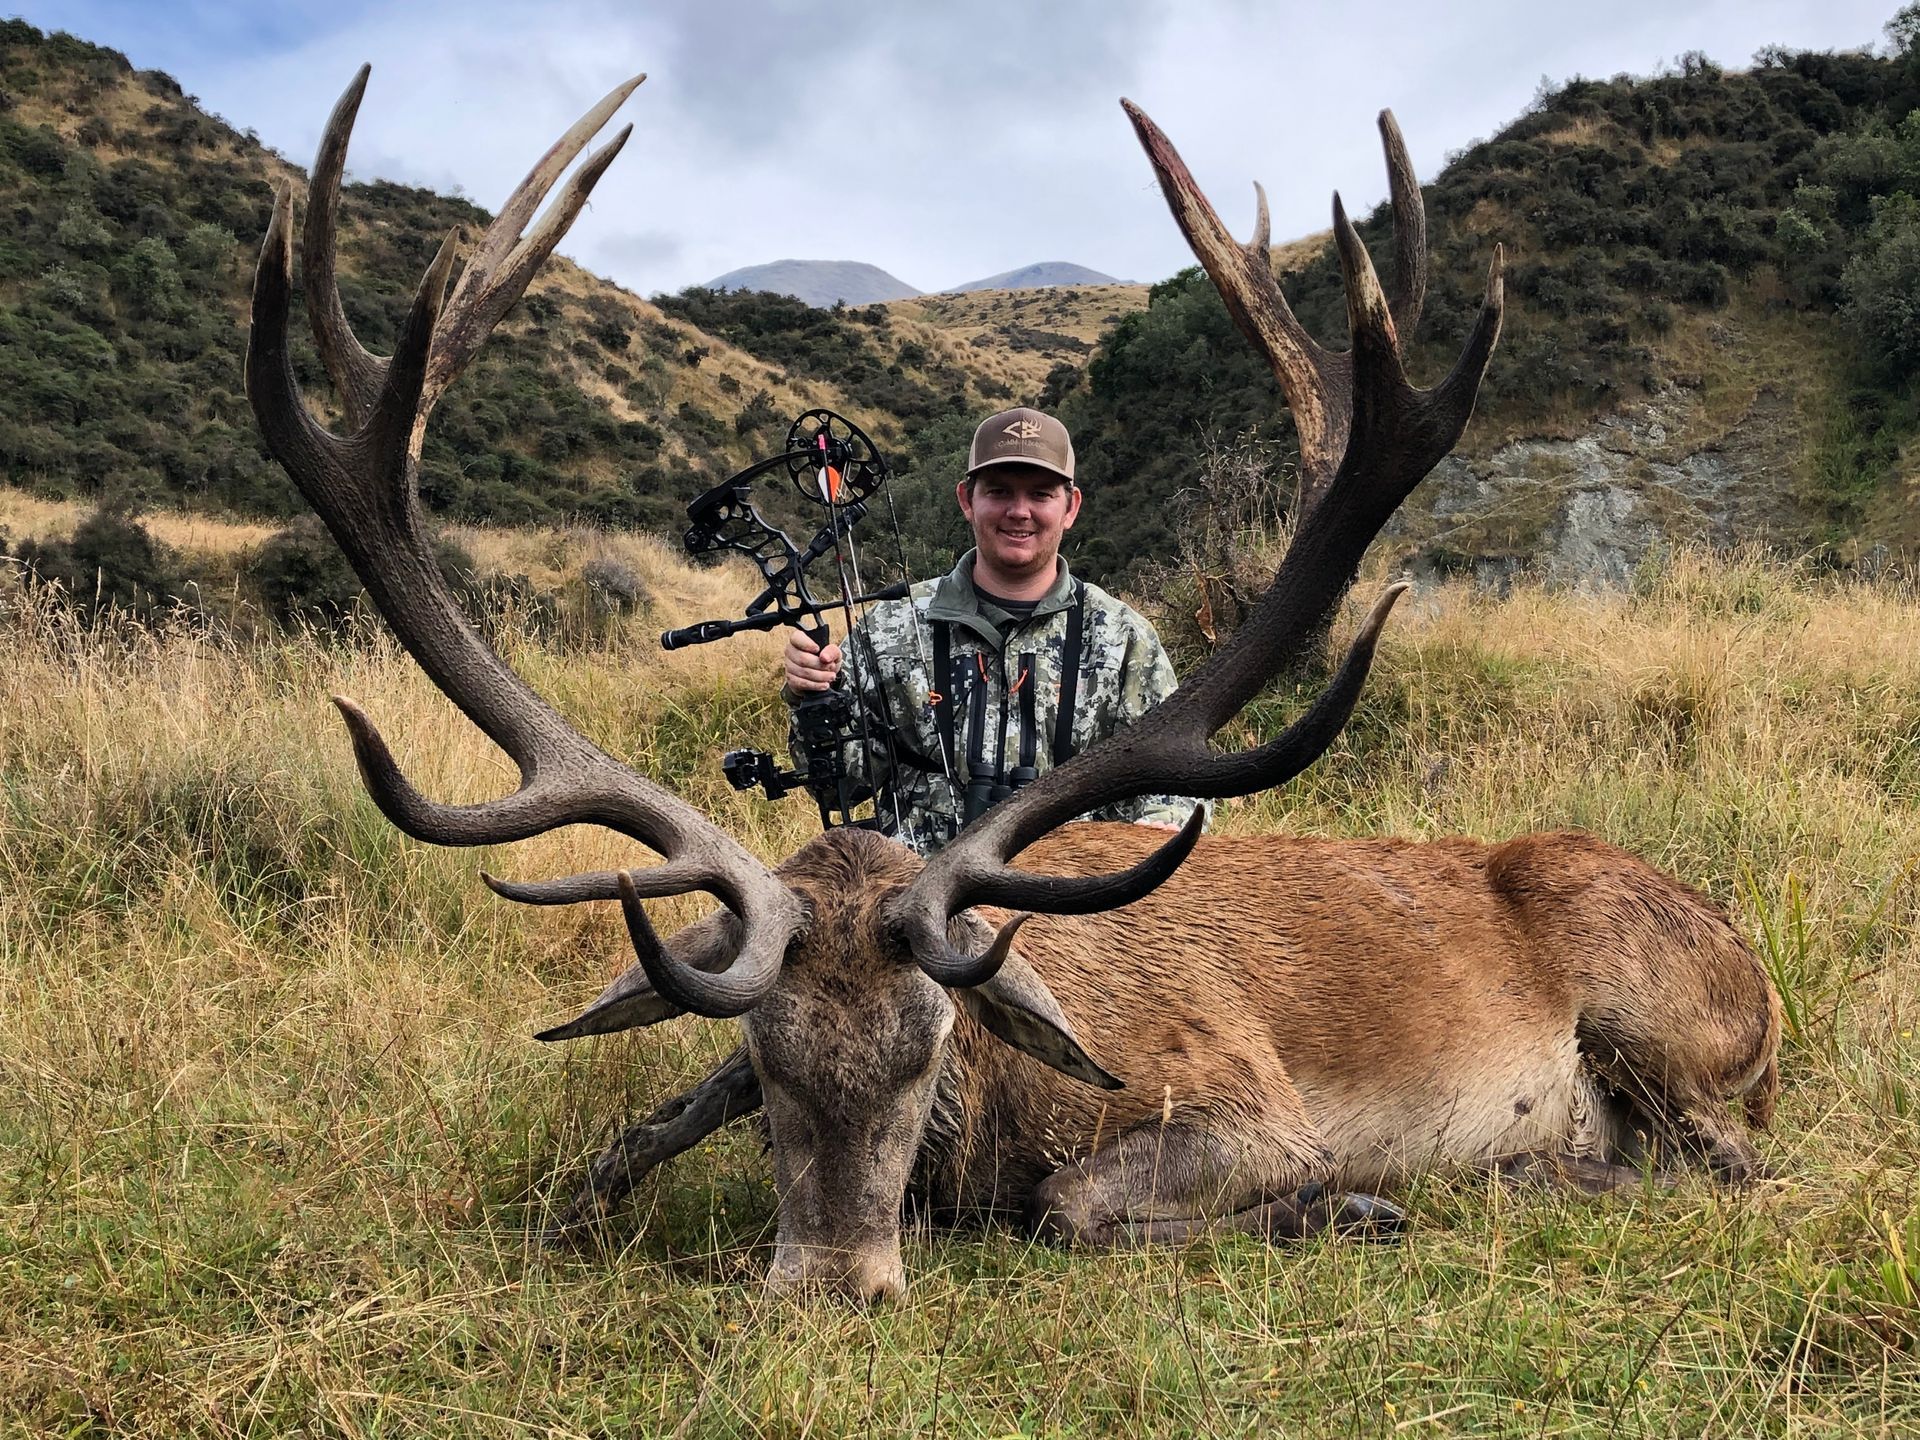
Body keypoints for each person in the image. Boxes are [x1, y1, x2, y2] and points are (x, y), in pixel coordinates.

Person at [783, 405, 1196, 853]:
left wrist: (1160, 830)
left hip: (1073, 901)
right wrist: (814, 697)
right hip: (916, 897)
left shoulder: (1124, 638)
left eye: (1041, 494)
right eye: (999, 491)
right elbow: (839, 785)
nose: (1019, 512)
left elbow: (1173, 776)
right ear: (967, 499)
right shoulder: (890, 625)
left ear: (1071, 507)